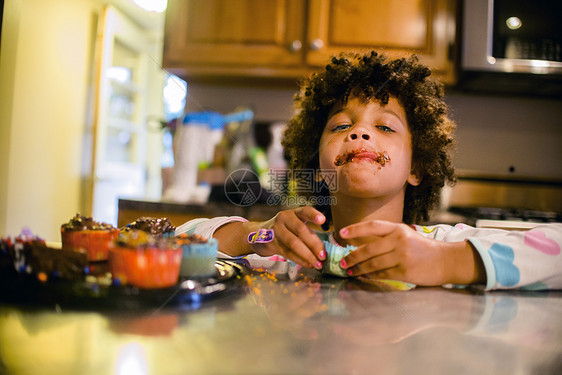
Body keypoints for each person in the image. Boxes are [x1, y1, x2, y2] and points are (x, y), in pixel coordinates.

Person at [175, 51, 562, 290]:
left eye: (386, 126)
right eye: (342, 126)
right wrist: (251, 236)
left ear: (418, 167)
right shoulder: (287, 249)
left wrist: (448, 262)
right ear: (317, 164)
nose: (359, 131)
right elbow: (168, 244)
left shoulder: (444, 244)